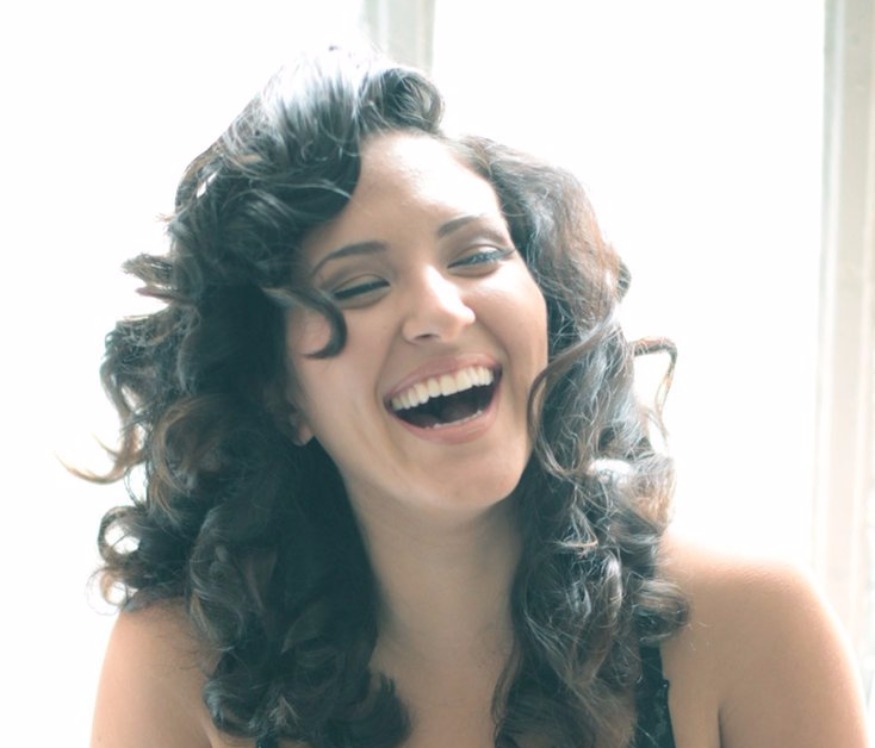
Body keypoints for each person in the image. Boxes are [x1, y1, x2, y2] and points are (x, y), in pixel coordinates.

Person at [88, 47, 869, 748]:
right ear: (277, 394)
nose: (440, 311)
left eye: (477, 256)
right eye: (359, 286)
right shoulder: (175, 663)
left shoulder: (749, 626)